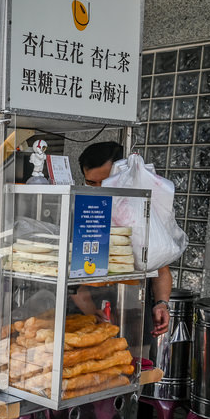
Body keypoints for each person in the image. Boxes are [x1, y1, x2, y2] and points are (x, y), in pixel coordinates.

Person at [78, 141, 172, 336]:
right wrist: (88, 310)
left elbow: (161, 268)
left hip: (133, 309)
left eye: (104, 182)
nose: (99, 189)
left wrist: (162, 303)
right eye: (91, 183)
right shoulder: (84, 211)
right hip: (88, 312)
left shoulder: (142, 213)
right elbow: (75, 274)